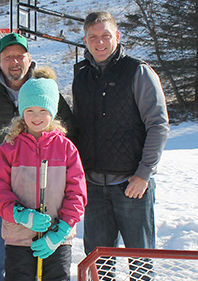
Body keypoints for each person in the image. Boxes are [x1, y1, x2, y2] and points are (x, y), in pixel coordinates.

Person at [0, 33, 76, 281]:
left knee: (47, 272)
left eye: (19, 56)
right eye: (8, 57)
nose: (14, 61)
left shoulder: (50, 94)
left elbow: (69, 142)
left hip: (50, 208)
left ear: (29, 59)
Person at [72, 12, 170, 280]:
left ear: (117, 36)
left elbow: (158, 125)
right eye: (93, 37)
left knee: (140, 264)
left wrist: (144, 173)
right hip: (93, 185)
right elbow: (78, 127)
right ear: (85, 40)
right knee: (98, 265)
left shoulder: (137, 72)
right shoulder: (81, 77)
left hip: (132, 186)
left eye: (106, 35)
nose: (100, 42)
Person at [0, 67, 87, 281]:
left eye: (43, 110)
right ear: (22, 112)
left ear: (52, 112)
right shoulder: (10, 148)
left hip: (57, 240)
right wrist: (21, 214)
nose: (36, 117)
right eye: (30, 110)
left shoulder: (66, 148)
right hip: (18, 237)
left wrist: (61, 231)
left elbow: (77, 194)